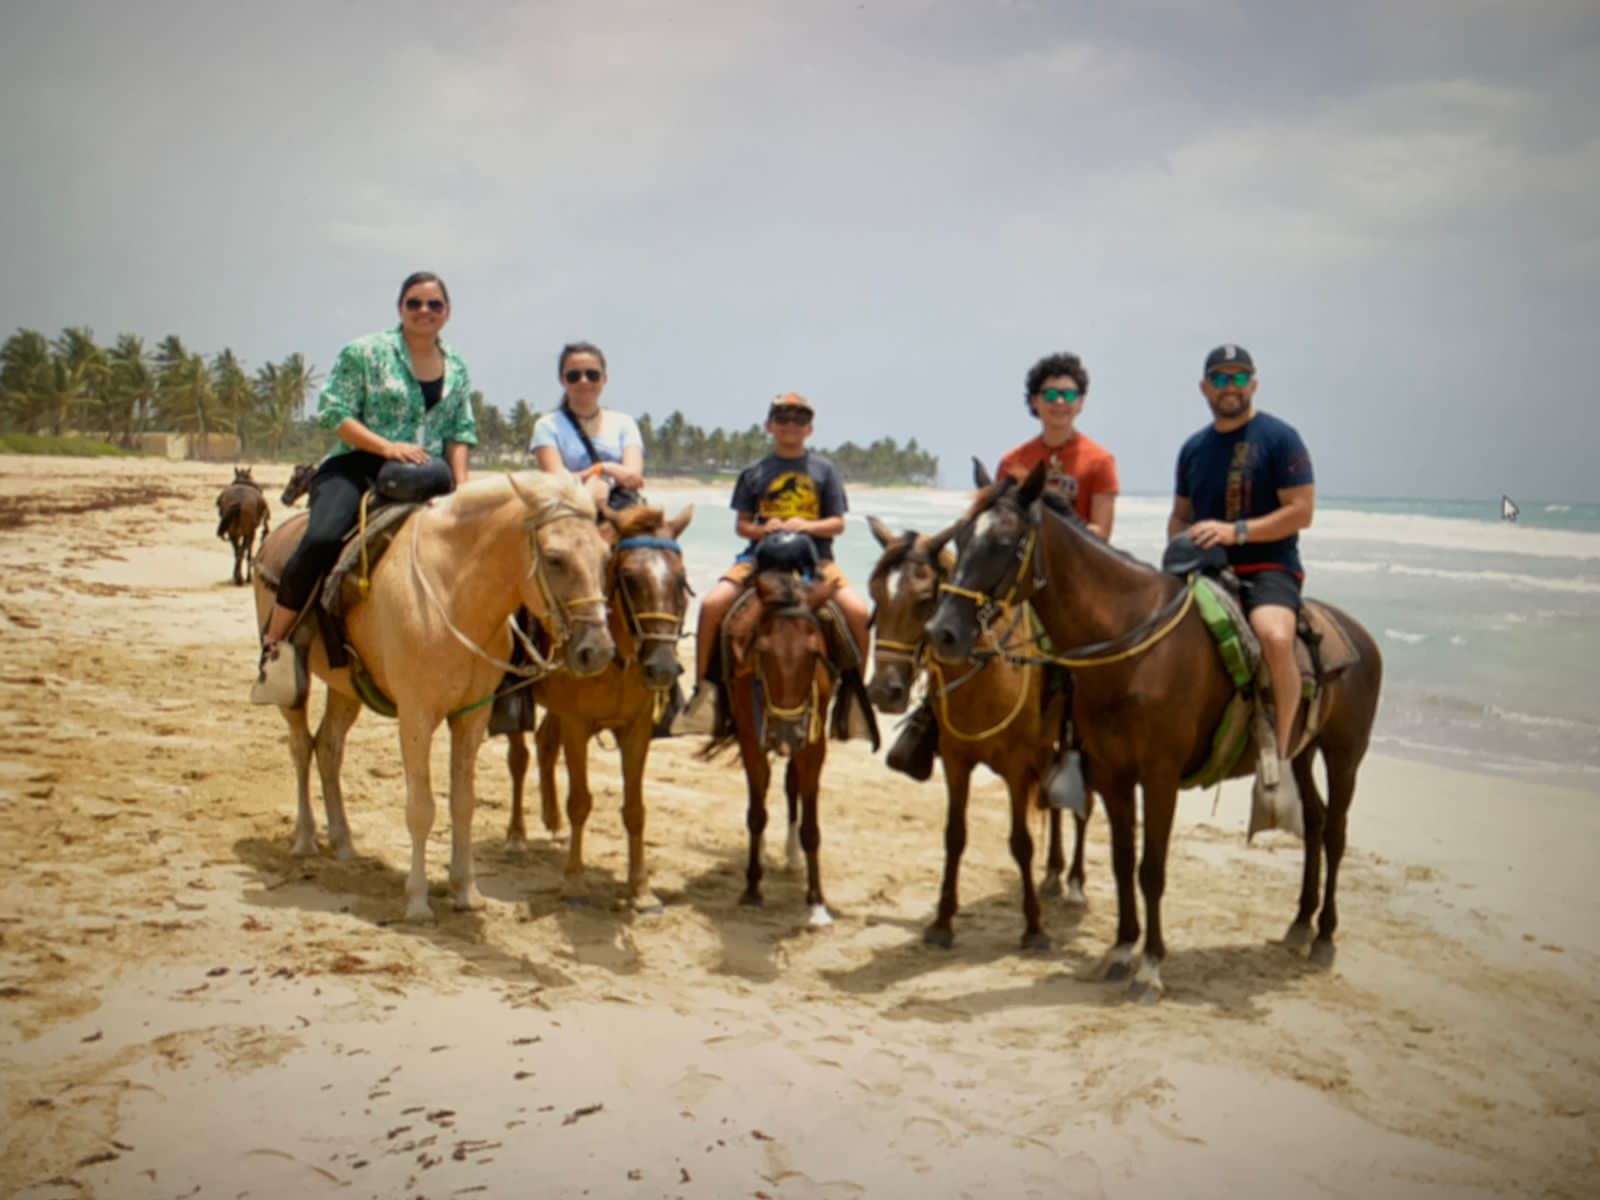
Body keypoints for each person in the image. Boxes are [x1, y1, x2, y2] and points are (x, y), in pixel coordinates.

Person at [251, 270, 478, 704]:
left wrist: (463, 487)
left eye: (434, 304)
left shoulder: (458, 366)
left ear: (447, 312)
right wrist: (386, 447)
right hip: (357, 466)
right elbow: (334, 412)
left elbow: (460, 432)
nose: (425, 311)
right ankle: (275, 647)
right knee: (320, 538)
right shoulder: (364, 352)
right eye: (414, 303)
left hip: (427, 475)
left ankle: (497, 675)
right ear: (400, 308)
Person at [1167, 343, 1315, 812]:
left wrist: (1237, 532)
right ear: (1204, 388)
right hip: (1204, 570)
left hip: (1268, 567)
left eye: (1237, 378)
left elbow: (1302, 511)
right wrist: (1178, 547)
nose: (1228, 387)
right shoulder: (1192, 449)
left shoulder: (1281, 439)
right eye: (1219, 378)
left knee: (1274, 637)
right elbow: (1181, 515)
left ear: (1253, 383)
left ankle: (1280, 757)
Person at [679, 392, 871, 732]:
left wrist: (805, 526)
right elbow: (742, 525)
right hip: (759, 559)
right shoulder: (754, 471)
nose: (790, 426)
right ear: (769, 426)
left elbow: (837, 523)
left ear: (810, 429)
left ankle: (853, 698)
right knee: (711, 606)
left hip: (817, 560)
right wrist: (763, 529)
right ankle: (706, 691)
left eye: (799, 420)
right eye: (782, 419)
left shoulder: (825, 470)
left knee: (858, 613)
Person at [997, 351, 1119, 538]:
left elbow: (1101, 534)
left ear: (1080, 402)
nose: (1060, 402)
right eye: (1051, 394)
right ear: (1034, 401)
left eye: (1069, 395)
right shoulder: (1011, 463)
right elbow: (1000, 524)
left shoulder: (1100, 461)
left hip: (1077, 555)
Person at [530, 342, 644, 508]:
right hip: (570, 511)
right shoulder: (547, 426)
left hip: (620, 510)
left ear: (604, 379)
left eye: (592, 375)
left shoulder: (625, 423)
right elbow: (558, 481)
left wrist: (603, 468)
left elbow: (633, 477)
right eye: (574, 376)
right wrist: (599, 473)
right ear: (562, 380)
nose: (584, 381)